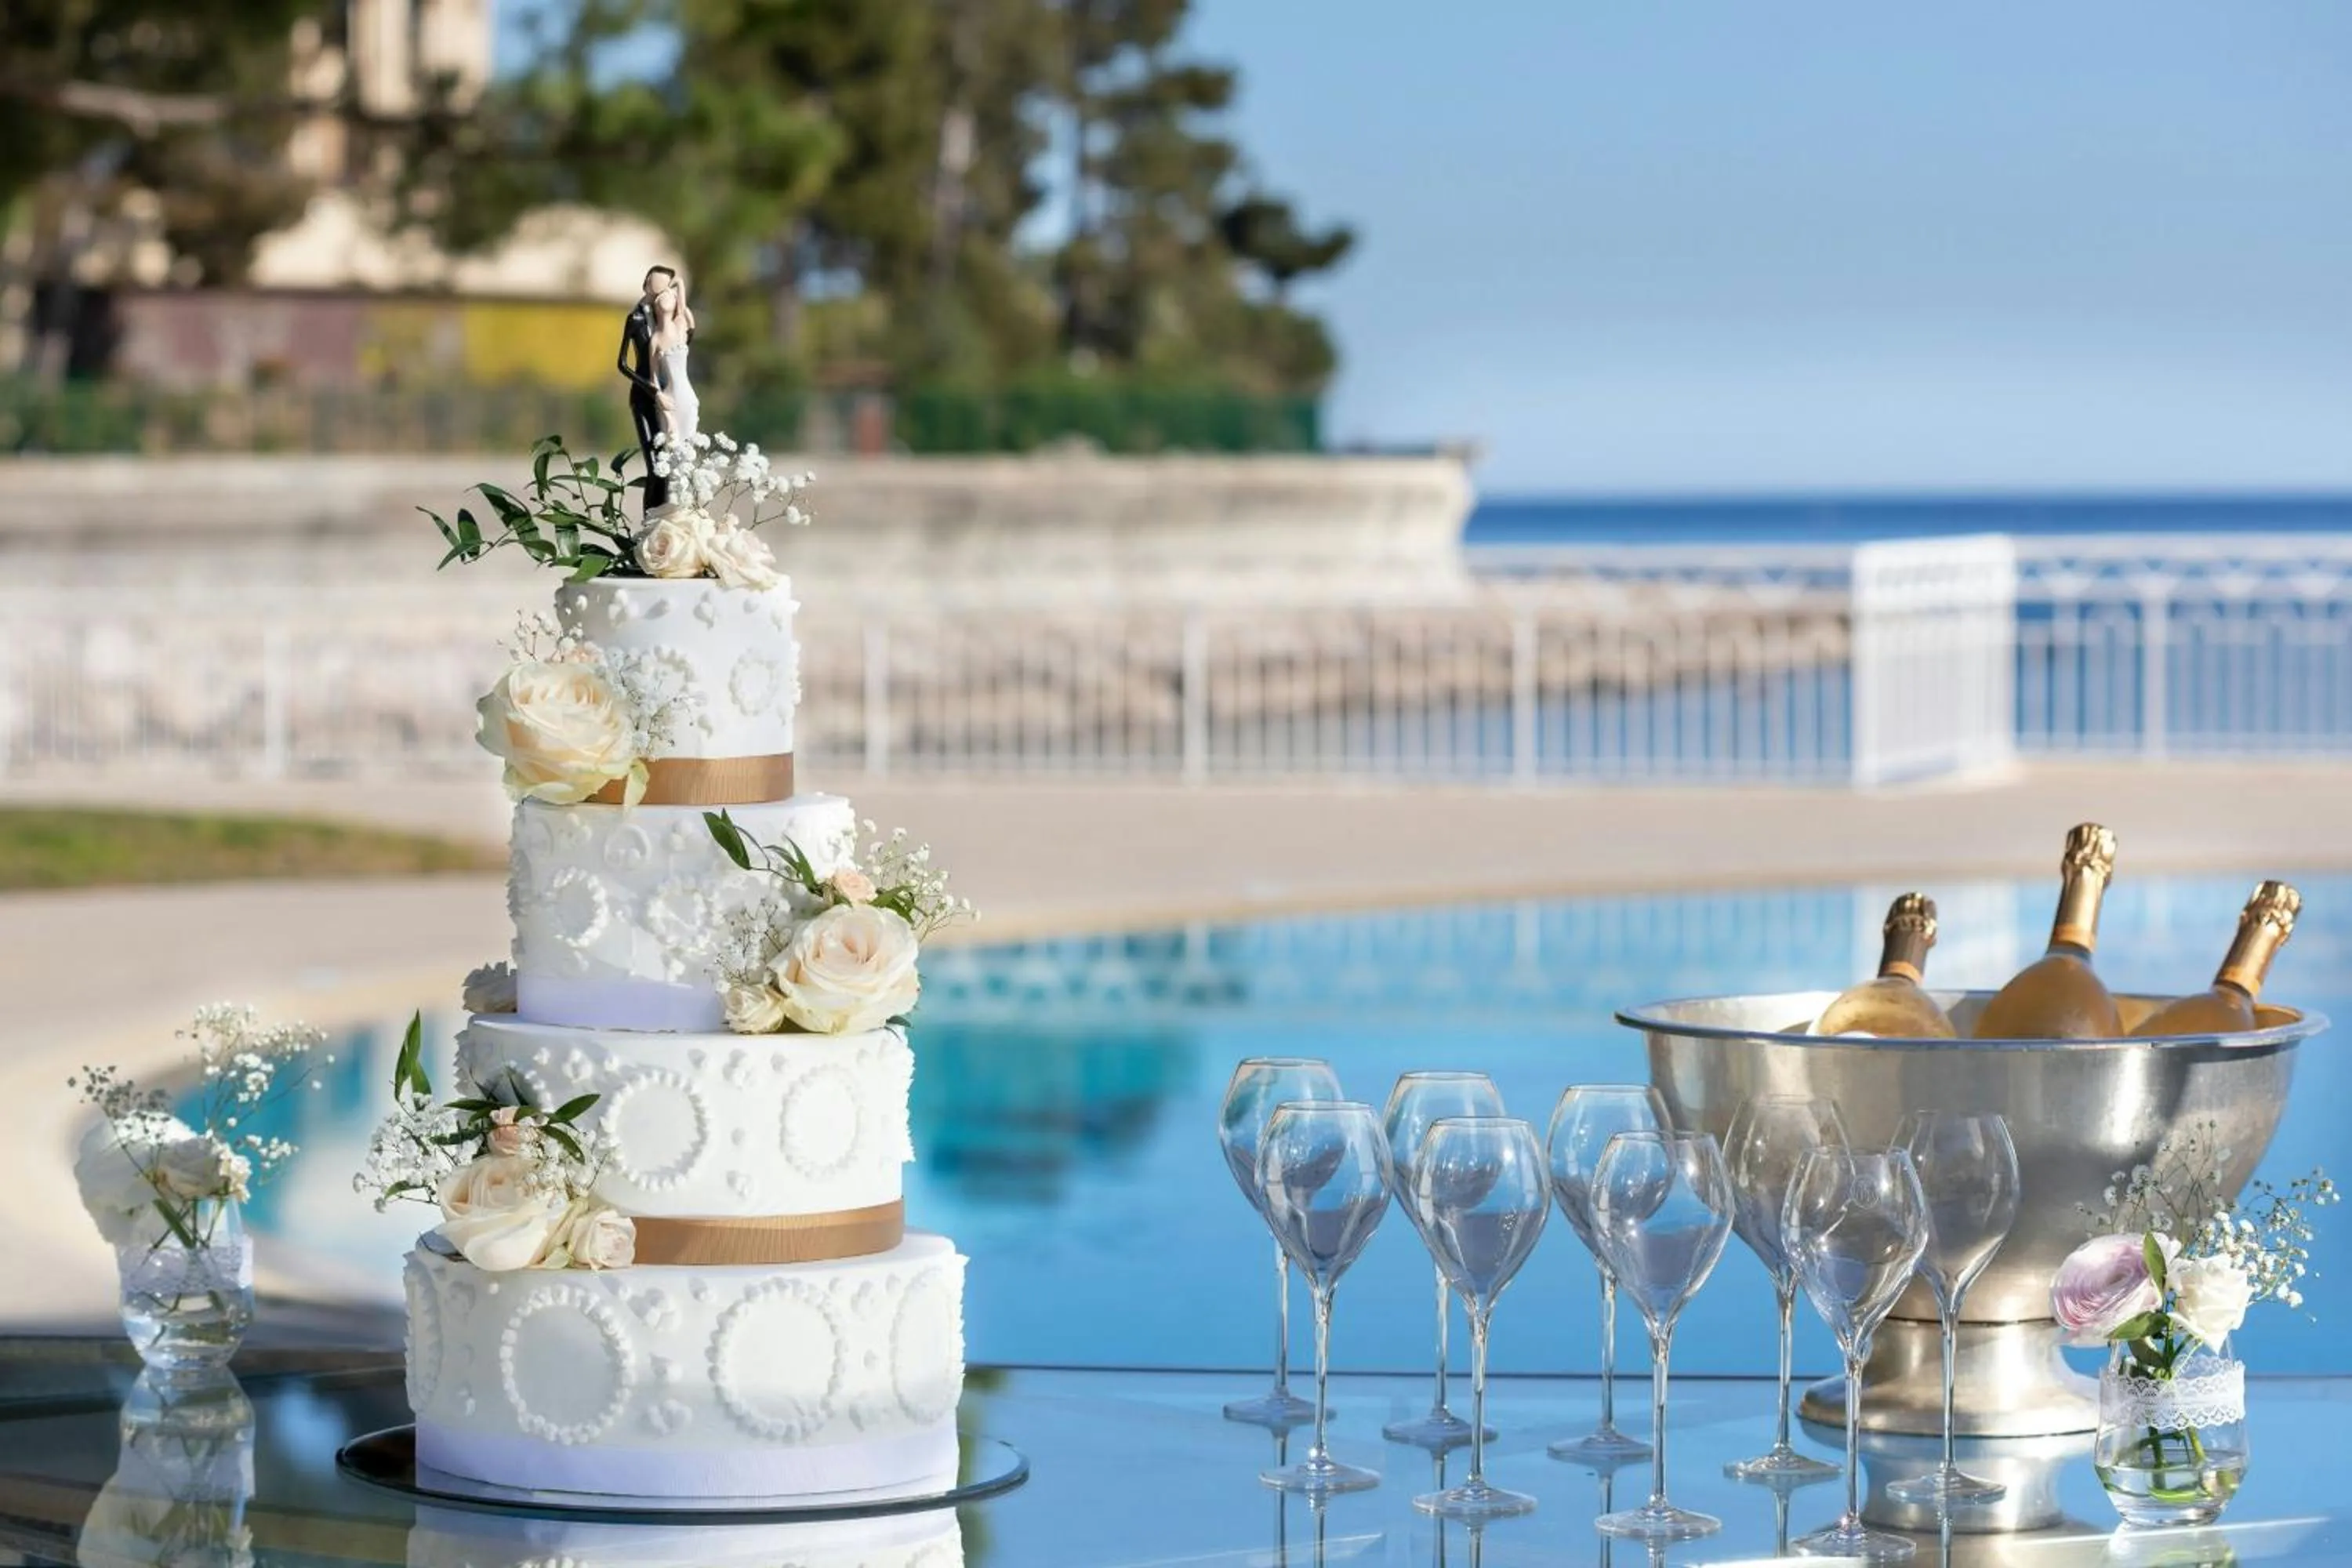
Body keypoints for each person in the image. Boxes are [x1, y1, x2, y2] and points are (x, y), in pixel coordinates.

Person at [617, 266, 699, 513]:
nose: (660, 290)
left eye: (665, 286)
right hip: (645, 398)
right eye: (656, 283)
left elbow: (686, 331)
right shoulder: (637, 319)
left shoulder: (671, 321)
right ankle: (649, 521)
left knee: (668, 464)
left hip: (671, 397)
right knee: (654, 465)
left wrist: (675, 289)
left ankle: (667, 516)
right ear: (647, 283)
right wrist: (654, 393)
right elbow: (622, 364)